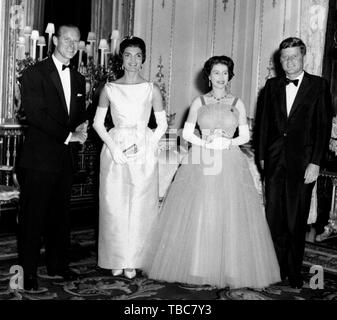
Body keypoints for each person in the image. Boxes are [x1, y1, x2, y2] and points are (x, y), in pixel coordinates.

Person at [141, 55, 280, 289]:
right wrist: (207, 143)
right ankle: (199, 266)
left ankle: (230, 267)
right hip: (202, 159)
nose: (220, 77)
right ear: (208, 76)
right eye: (216, 73)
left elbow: (246, 135)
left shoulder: (237, 103)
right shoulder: (199, 102)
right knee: (203, 209)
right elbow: (186, 133)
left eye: (224, 73)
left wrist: (227, 143)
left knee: (229, 212)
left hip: (229, 160)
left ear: (230, 76)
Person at [258, 37, 333, 289]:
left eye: (294, 57)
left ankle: (294, 271)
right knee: (274, 218)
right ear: (279, 60)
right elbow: (263, 125)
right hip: (275, 161)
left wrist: (316, 162)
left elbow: (322, 128)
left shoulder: (319, 86)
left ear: (303, 58)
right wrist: (261, 157)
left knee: (296, 219)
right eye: (284, 57)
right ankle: (274, 269)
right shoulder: (271, 86)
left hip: (304, 164)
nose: (289, 61)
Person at [18, 24, 88, 292]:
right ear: (55, 40)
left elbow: (77, 115)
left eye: (76, 41)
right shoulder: (34, 73)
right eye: (67, 39)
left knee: (61, 216)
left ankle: (58, 264)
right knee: (33, 218)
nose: (71, 45)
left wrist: (81, 127)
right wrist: (69, 135)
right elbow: (35, 114)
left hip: (64, 160)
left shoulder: (80, 79)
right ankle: (28, 273)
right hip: (38, 159)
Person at [93, 36, 167, 279]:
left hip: (143, 150)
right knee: (114, 204)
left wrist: (147, 147)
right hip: (116, 150)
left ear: (143, 59)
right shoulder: (110, 88)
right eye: (128, 55)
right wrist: (114, 148)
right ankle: (116, 256)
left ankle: (134, 259)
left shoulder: (151, 88)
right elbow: (97, 123)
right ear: (121, 59)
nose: (133, 60)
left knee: (140, 207)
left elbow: (163, 124)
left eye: (137, 55)